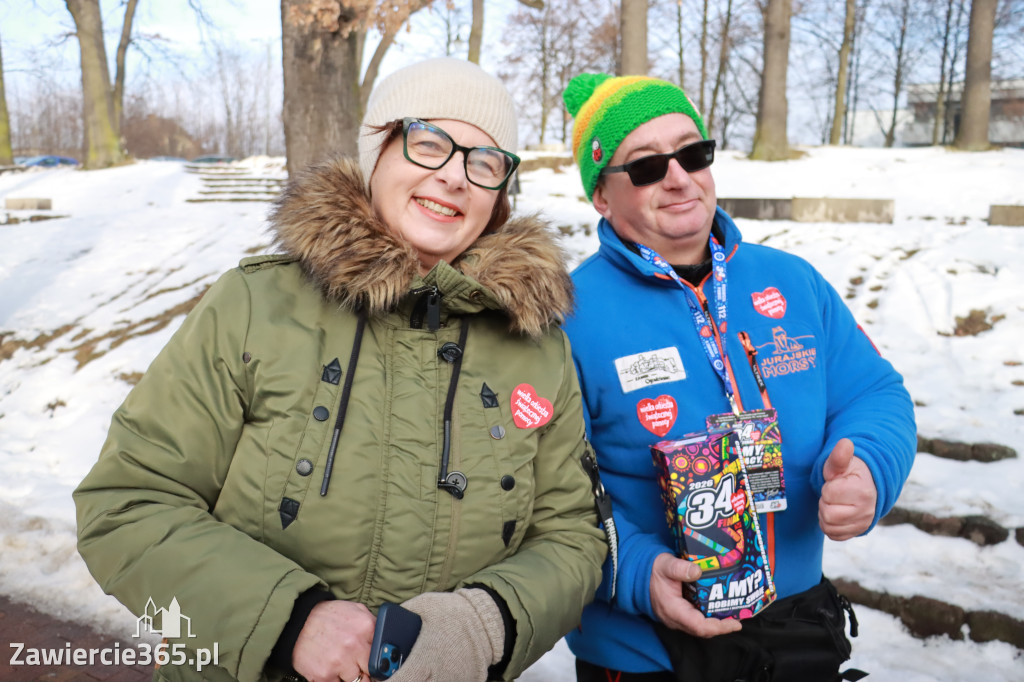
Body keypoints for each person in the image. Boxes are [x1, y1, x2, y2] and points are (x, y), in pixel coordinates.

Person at [74, 57, 607, 682]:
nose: (453, 177)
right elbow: (127, 503)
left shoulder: (537, 348)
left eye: (485, 162)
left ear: (499, 193)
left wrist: (485, 624)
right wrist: (289, 621)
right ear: (377, 150)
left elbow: (571, 536)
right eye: (429, 142)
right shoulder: (253, 309)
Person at [559, 72, 917, 682]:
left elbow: (874, 393)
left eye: (693, 153)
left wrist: (869, 468)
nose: (679, 177)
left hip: (797, 632)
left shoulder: (793, 281)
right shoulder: (566, 316)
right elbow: (543, 493)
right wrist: (637, 572)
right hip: (648, 652)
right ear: (601, 195)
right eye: (646, 166)